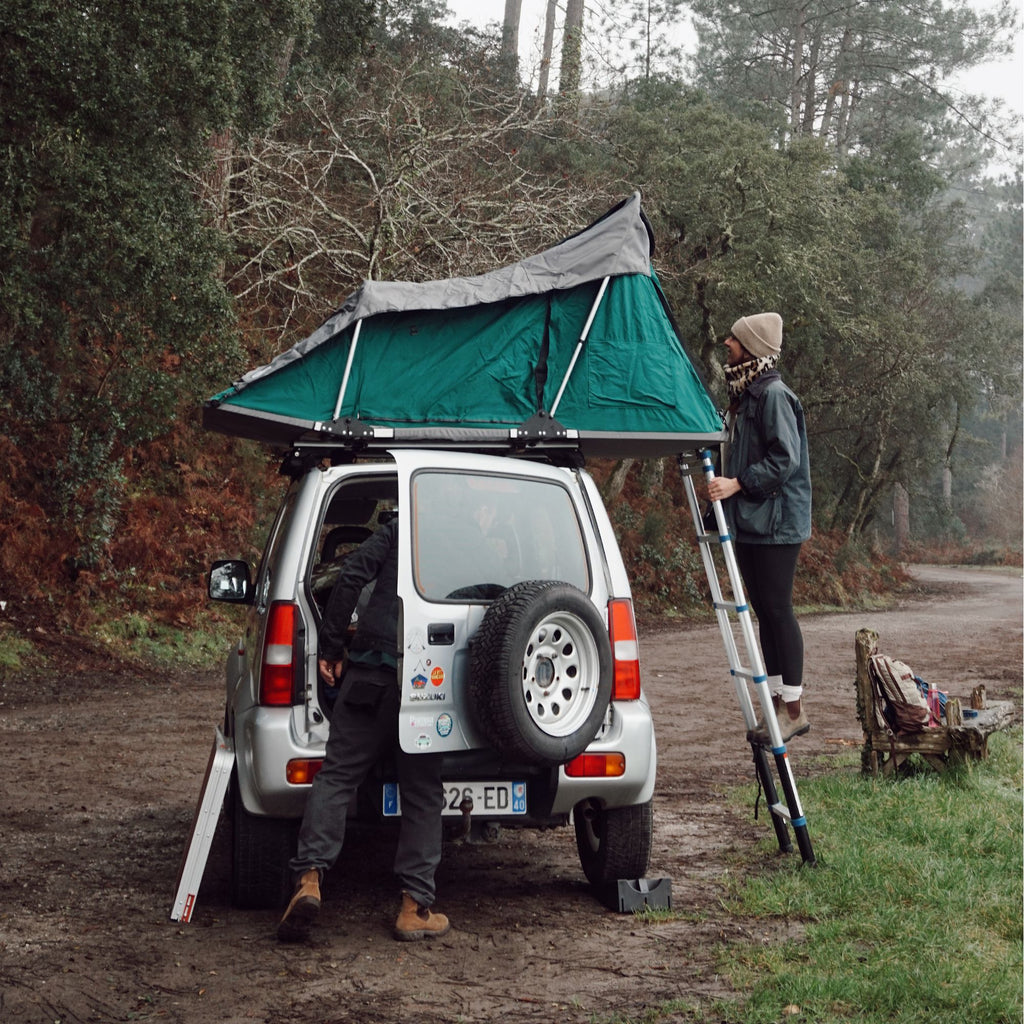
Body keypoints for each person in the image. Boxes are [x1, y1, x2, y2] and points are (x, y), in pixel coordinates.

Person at [277, 515, 450, 943]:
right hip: (426, 680)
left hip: (370, 674)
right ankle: (414, 907)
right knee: (423, 792)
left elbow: (351, 575)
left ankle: (310, 881)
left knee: (336, 778)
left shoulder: (400, 526)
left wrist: (333, 646)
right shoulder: (466, 536)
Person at [706, 312, 812, 744]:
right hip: (753, 519)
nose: (727, 342)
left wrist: (736, 483)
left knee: (777, 609)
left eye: (736, 338)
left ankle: (794, 711)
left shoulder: (774, 396)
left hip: (777, 522)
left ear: (752, 348)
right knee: (767, 612)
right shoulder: (746, 395)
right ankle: (777, 706)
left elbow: (784, 459)